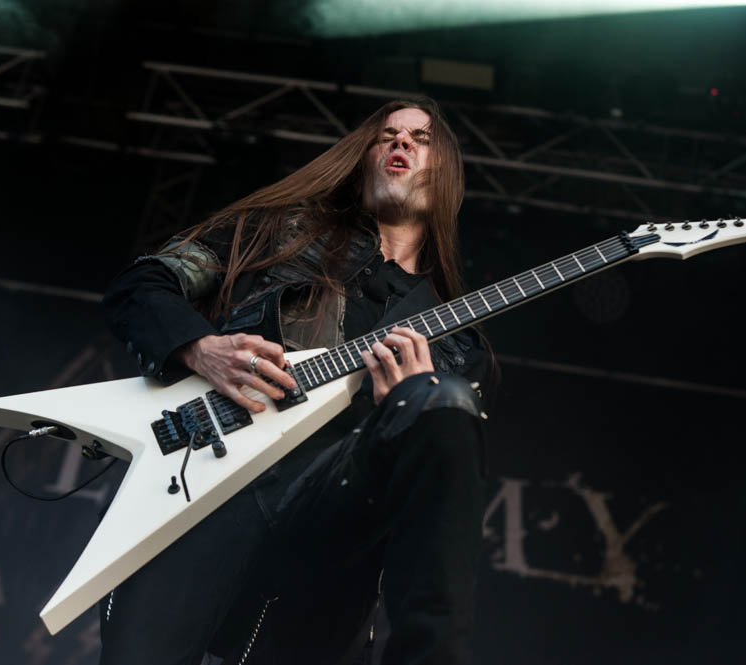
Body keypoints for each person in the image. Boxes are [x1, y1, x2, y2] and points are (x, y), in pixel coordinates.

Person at [100, 97, 493, 665]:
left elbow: (434, 500)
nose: (400, 143)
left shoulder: (456, 343)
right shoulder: (277, 233)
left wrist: (401, 413)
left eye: (420, 138)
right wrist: (201, 348)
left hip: (325, 514)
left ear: (446, 174)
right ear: (364, 157)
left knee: (445, 403)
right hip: (212, 480)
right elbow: (141, 286)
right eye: (387, 135)